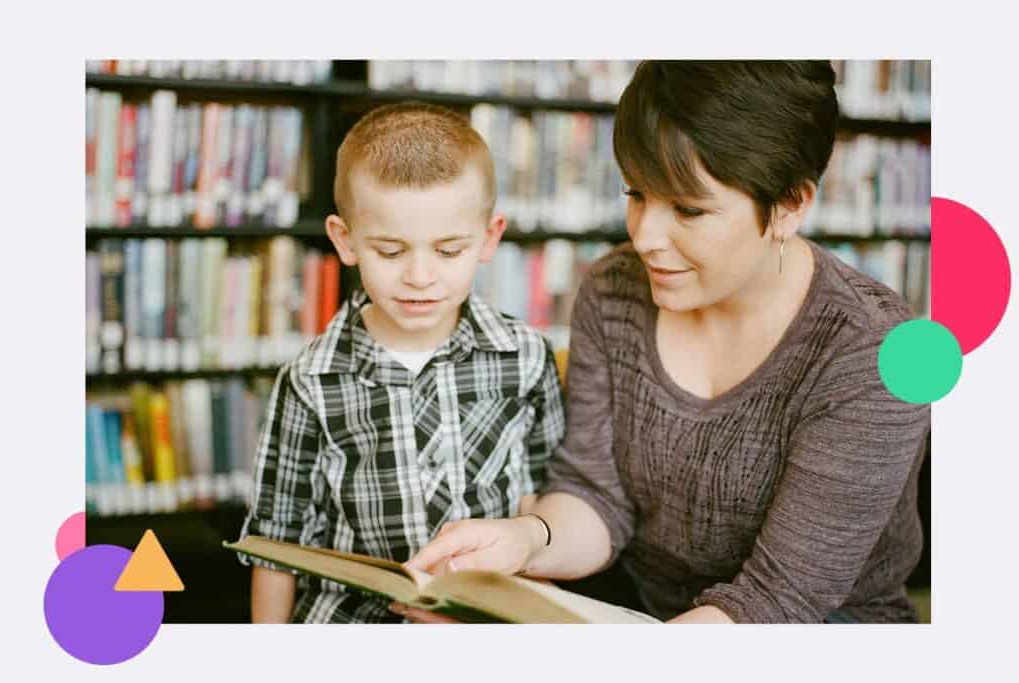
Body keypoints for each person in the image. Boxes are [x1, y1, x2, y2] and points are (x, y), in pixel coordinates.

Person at [401, 61, 931, 624]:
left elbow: (778, 601)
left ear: (790, 205)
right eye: (637, 193)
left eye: (688, 209)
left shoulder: (877, 350)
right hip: (644, 618)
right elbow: (596, 498)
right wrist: (526, 540)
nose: (645, 236)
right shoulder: (612, 291)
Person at [237, 102, 566, 623]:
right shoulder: (310, 380)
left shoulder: (525, 356)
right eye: (390, 251)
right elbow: (275, 543)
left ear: (489, 238)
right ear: (345, 241)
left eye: (449, 250)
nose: (419, 276)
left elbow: (542, 502)